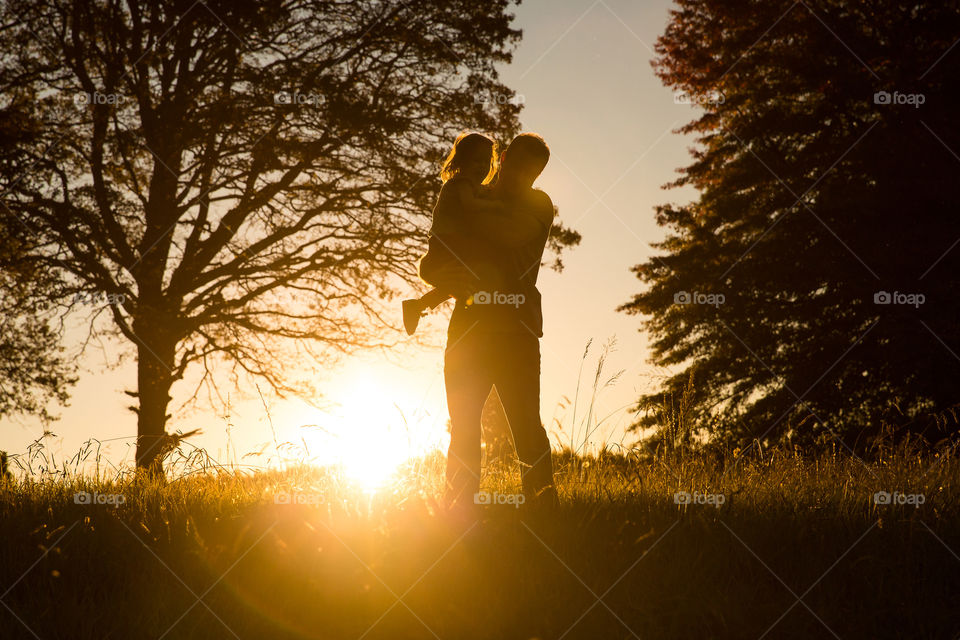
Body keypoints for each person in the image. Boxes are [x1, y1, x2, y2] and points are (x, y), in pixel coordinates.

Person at [429, 132, 557, 508]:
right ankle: (458, 512)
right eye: (516, 164)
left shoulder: (537, 204)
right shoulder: (471, 195)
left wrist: (464, 211)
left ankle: (543, 509)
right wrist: (436, 272)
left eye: (531, 171)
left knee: (526, 428)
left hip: (514, 331)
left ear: (538, 175)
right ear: (503, 159)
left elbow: (505, 235)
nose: (521, 176)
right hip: (467, 328)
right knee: (464, 427)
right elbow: (434, 256)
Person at [402, 132, 505, 336]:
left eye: (487, 161)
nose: (482, 166)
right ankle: (419, 306)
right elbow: (470, 205)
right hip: (445, 247)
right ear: (463, 161)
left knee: (463, 285)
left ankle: (417, 306)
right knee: (467, 283)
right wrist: (497, 205)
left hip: (454, 247)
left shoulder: (474, 187)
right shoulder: (460, 184)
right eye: (476, 161)